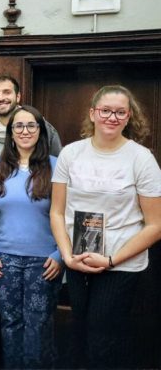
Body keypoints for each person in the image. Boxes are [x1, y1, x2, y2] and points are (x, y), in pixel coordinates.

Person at [50, 85, 161, 368]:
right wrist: (66, 255)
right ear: (93, 113)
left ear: (128, 117)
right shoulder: (70, 154)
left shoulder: (141, 158)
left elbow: (155, 225)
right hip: (78, 259)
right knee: (80, 331)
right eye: (106, 110)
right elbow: (57, 212)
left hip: (120, 264)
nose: (112, 117)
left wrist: (111, 259)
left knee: (105, 337)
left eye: (120, 112)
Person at [0, 106, 63, 368]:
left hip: (43, 261)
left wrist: (60, 254)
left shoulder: (57, 167)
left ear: (40, 131)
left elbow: (67, 215)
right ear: (10, 133)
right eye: (18, 126)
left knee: (38, 324)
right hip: (4, 259)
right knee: (10, 322)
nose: (24, 131)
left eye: (31, 125)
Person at [0, 74, 62, 166]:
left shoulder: (45, 129)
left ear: (18, 97)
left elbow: (59, 170)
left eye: (7, 92)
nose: (1, 98)